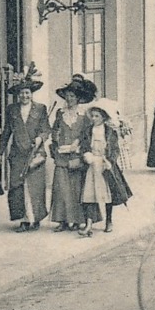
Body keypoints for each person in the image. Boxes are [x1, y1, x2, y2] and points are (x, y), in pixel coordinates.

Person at [0, 72, 51, 231]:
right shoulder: (12, 110)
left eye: (27, 92)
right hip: (17, 154)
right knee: (17, 187)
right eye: (21, 93)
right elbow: (6, 132)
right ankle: (23, 220)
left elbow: (46, 129)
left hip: (35, 153)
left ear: (31, 93)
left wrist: (39, 139)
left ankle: (35, 219)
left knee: (35, 187)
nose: (24, 95)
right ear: (18, 95)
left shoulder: (41, 109)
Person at [49, 76, 98, 232]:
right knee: (61, 189)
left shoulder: (84, 116)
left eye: (72, 96)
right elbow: (55, 130)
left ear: (78, 99)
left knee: (76, 189)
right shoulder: (60, 113)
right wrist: (55, 138)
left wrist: (78, 144)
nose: (69, 99)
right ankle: (62, 220)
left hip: (76, 156)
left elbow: (87, 135)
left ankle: (77, 221)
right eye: (67, 96)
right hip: (62, 155)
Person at [80, 100, 135, 236]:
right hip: (92, 165)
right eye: (92, 116)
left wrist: (110, 161)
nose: (94, 119)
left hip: (105, 165)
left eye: (97, 116)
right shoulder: (88, 131)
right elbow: (84, 146)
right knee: (89, 195)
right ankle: (89, 224)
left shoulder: (110, 132)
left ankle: (109, 220)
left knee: (107, 195)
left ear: (103, 117)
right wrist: (87, 155)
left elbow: (115, 149)